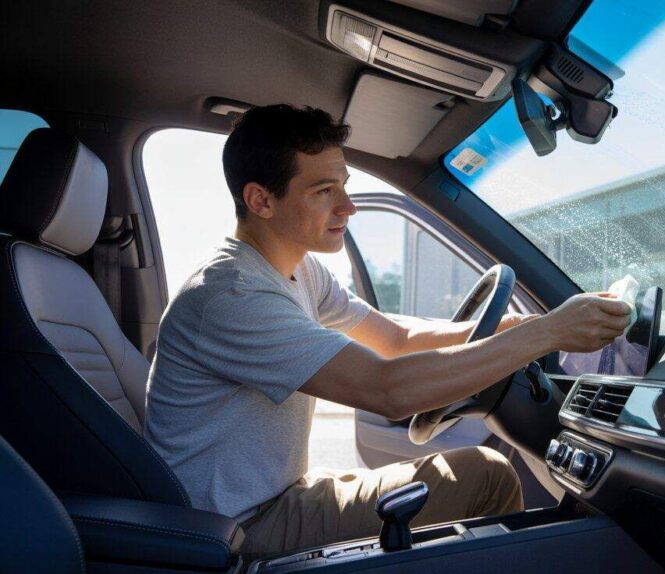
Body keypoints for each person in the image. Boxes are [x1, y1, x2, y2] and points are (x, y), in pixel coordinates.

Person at [143, 104, 632, 556]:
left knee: (479, 473)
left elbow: (395, 338)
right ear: (261, 201)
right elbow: (388, 390)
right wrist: (546, 336)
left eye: (343, 184)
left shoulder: (299, 270)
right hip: (236, 527)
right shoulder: (232, 295)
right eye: (323, 191)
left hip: (280, 495)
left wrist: (525, 324)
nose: (348, 207)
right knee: (483, 477)